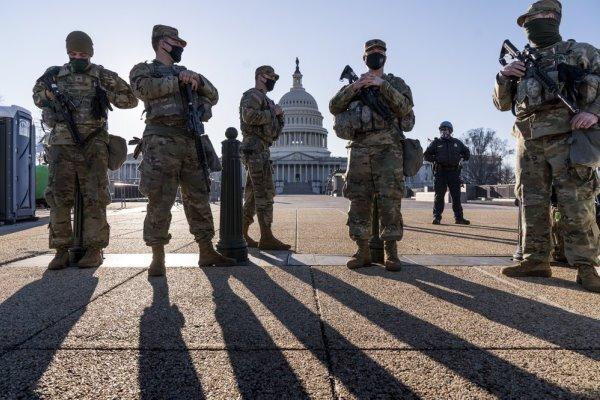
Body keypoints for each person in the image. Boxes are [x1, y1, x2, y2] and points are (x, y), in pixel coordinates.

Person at [493, 0, 600, 292]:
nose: (529, 25)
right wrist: (503, 76)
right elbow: (503, 104)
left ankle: (586, 267)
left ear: (552, 17)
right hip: (528, 140)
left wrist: (594, 111)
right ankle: (535, 260)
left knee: (577, 202)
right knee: (532, 203)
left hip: (569, 136)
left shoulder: (581, 52)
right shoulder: (522, 61)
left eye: (534, 18)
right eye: (526, 21)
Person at [130, 25, 235, 277]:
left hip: (190, 141)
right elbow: (141, 90)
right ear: (161, 43)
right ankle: (157, 256)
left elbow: (214, 94)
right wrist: (176, 80)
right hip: (160, 141)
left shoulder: (187, 72)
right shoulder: (144, 70)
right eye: (176, 42)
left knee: (198, 197)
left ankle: (206, 249)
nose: (180, 48)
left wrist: (196, 80)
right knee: (159, 200)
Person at [32, 31, 138, 270]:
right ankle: (61, 250)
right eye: (72, 53)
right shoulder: (54, 74)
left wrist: (107, 92)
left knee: (95, 197)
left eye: (81, 53)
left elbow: (131, 100)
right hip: (62, 144)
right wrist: (48, 95)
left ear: (90, 52)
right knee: (59, 198)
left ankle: (94, 249)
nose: (77, 57)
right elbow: (37, 94)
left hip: (93, 143)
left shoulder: (101, 75)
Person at [330, 39, 415, 271]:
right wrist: (355, 87)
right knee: (359, 199)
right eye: (371, 53)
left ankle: (391, 252)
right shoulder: (355, 85)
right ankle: (362, 250)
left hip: (389, 149)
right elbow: (333, 106)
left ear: (385, 57)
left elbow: (406, 108)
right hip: (359, 148)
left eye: (379, 53)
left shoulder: (395, 83)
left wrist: (381, 85)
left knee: (390, 199)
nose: (375, 56)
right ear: (364, 58)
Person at [239, 66, 291, 250]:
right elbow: (249, 117)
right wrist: (273, 113)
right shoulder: (252, 95)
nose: (273, 80)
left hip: (262, 148)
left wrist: (280, 117)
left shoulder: (267, 100)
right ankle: (266, 237)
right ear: (260, 77)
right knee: (264, 193)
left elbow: (274, 132)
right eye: (270, 76)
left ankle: (242, 233)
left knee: (254, 196)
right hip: (254, 148)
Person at [424, 121, 471, 225]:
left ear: (450, 131)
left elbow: (467, 152)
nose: (444, 131)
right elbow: (426, 155)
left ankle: (459, 218)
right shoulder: (436, 143)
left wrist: (463, 158)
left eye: (446, 129)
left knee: (456, 196)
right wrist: (435, 159)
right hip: (440, 173)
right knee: (439, 196)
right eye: (442, 130)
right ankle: (437, 218)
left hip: (454, 173)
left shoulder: (457, 143)